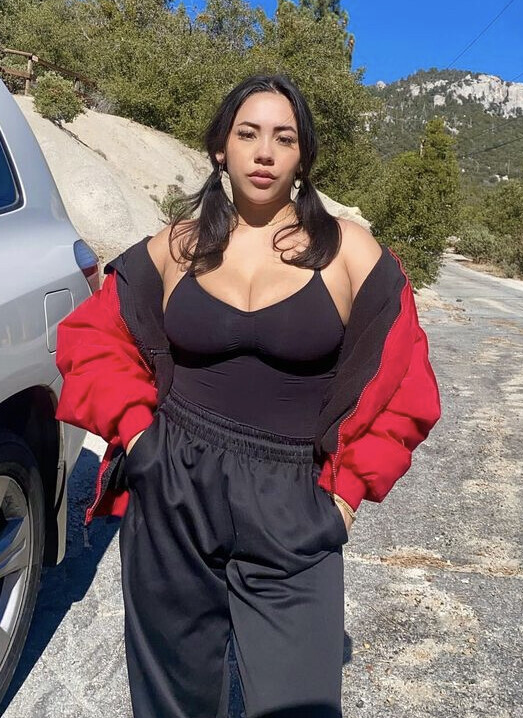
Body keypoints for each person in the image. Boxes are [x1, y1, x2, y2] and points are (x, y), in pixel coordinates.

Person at [55, 74, 441, 718]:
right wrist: (140, 437)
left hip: (293, 499)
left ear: (302, 155)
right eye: (248, 134)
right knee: (173, 701)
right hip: (172, 483)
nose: (264, 153)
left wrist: (345, 498)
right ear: (221, 148)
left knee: (300, 706)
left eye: (284, 138)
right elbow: (94, 337)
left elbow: (407, 387)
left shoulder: (349, 252)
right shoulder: (180, 245)